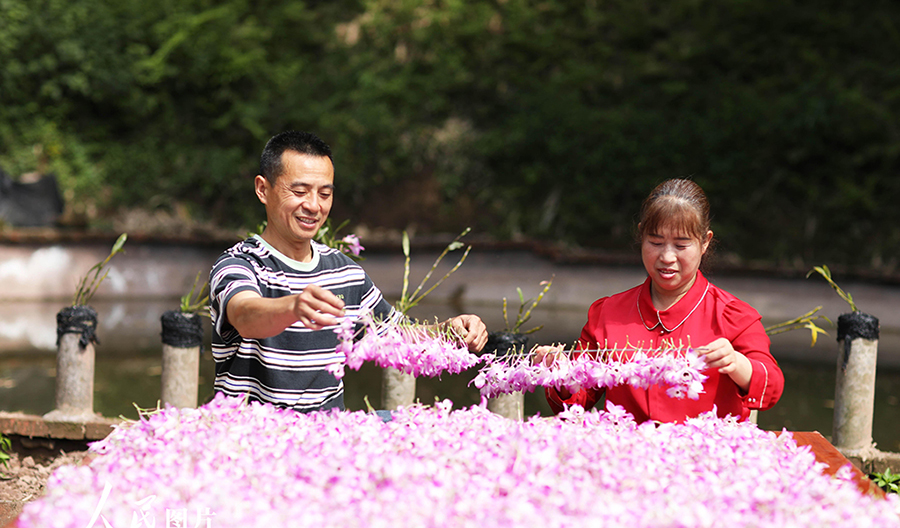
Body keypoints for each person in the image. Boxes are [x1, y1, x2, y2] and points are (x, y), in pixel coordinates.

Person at [209, 130, 487, 412]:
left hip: (331, 439)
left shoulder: (345, 272)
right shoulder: (239, 264)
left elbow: (396, 333)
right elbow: (245, 315)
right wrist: (293, 306)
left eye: (325, 193)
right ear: (262, 189)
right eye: (299, 191)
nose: (313, 206)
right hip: (255, 438)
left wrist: (448, 332)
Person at [536, 178, 784, 423]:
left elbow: (771, 385)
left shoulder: (734, 316)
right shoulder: (608, 313)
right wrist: (560, 373)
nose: (667, 257)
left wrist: (738, 363)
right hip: (627, 455)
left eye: (681, 244)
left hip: (705, 456)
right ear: (641, 236)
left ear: (705, 242)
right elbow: (575, 402)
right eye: (655, 242)